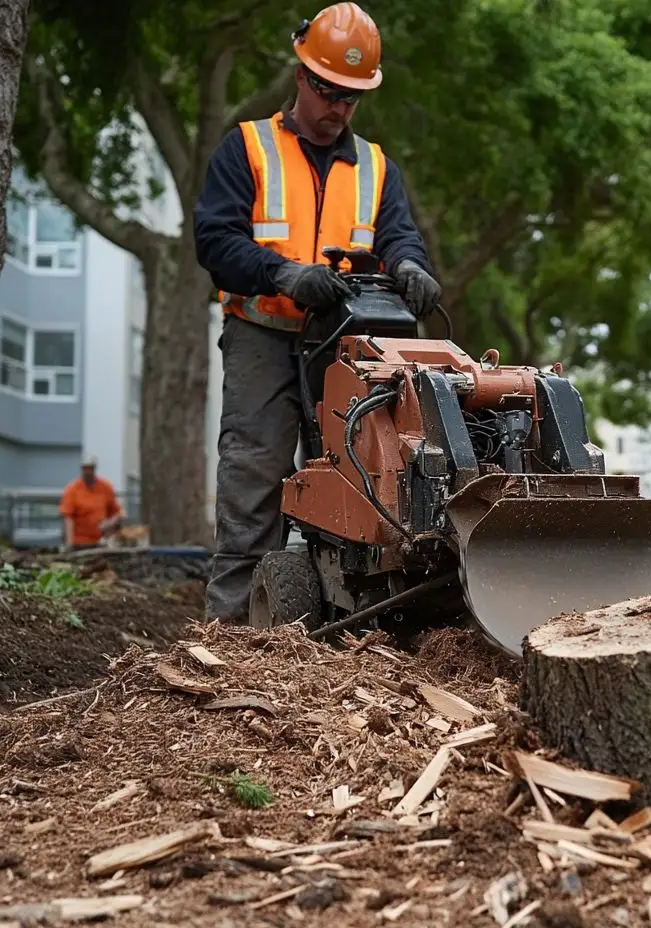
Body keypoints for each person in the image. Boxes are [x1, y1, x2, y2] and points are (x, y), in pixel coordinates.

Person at [194, 2, 440, 624]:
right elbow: (215, 241)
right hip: (264, 334)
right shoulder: (246, 148)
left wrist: (408, 266)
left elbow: (398, 237)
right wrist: (283, 274)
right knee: (255, 476)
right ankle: (232, 637)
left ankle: (355, 624)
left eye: (351, 98)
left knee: (365, 476)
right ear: (302, 75)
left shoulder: (378, 167)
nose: (337, 107)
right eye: (329, 91)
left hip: (347, 344)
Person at [58, 455, 124, 551]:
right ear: (81, 469)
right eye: (85, 469)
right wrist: (69, 544)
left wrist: (110, 523)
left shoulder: (105, 487)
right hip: (80, 543)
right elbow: (68, 518)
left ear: (94, 469)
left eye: (90, 468)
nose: (88, 472)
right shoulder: (72, 489)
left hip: (102, 542)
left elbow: (119, 513)